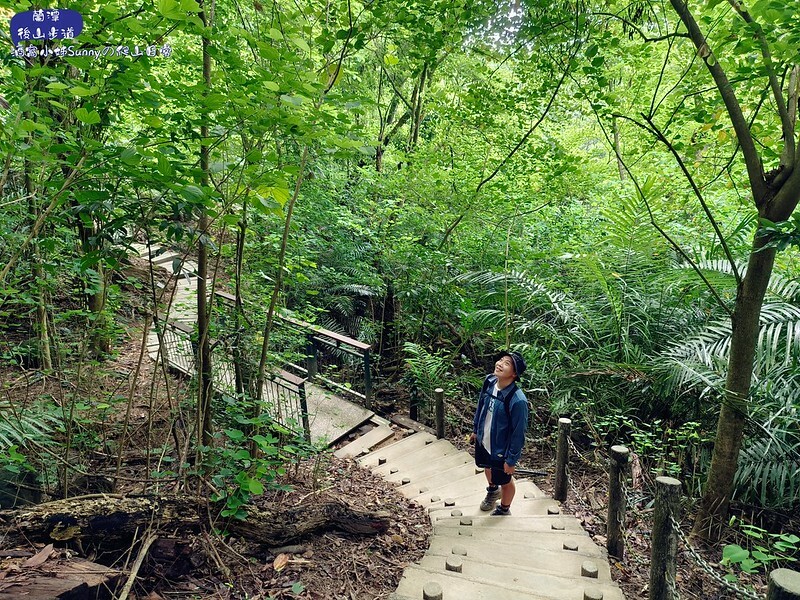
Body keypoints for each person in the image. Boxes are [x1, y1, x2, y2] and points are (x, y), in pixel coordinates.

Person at [469, 351, 529, 515]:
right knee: (487, 466)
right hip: (484, 439)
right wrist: (476, 430)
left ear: (514, 374)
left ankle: (504, 507)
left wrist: (511, 460)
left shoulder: (517, 400)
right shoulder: (489, 381)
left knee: (505, 479)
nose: (500, 363)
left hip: (501, 447)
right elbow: (481, 404)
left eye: (507, 363)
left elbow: (518, 433)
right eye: (501, 360)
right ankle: (492, 490)